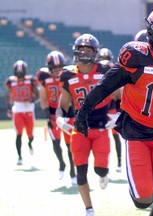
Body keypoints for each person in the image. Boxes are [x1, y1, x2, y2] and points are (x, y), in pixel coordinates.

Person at [74, 5, 153, 216]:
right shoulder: (137, 57)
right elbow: (105, 86)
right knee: (143, 201)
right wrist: (83, 112)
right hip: (136, 132)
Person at [56, 33, 122, 216]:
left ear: (95, 52)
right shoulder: (68, 74)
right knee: (81, 173)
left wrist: (118, 115)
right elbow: (63, 105)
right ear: (76, 52)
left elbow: (121, 96)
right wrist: (60, 119)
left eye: (88, 50)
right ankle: (89, 209)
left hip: (101, 127)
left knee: (100, 169)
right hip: (80, 128)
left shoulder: (105, 70)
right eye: (81, 50)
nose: (84, 53)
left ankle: (104, 173)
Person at [36, 50, 77, 185]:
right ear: (49, 68)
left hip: (67, 112)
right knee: (56, 143)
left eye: (59, 67)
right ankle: (61, 164)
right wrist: (47, 113)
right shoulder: (44, 77)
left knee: (70, 144)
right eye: (54, 68)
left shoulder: (68, 74)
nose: (57, 70)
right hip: (53, 113)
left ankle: (72, 171)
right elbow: (43, 97)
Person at [5, 60, 39, 165]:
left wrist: (32, 100)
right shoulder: (11, 82)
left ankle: (30, 143)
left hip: (28, 109)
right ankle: (19, 157)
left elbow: (37, 94)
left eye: (21, 72)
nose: (19, 74)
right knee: (18, 134)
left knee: (30, 134)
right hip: (18, 109)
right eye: (18, 72)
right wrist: (9, 108)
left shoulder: (30, 80)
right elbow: (9, 95)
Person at [97, 47, 123, 172]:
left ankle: (115, 162)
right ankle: (115, 163)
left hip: (108, 108)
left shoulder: (100, 69)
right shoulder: (109, 68)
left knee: (110, 137)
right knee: (110, 137)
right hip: (108, 108)